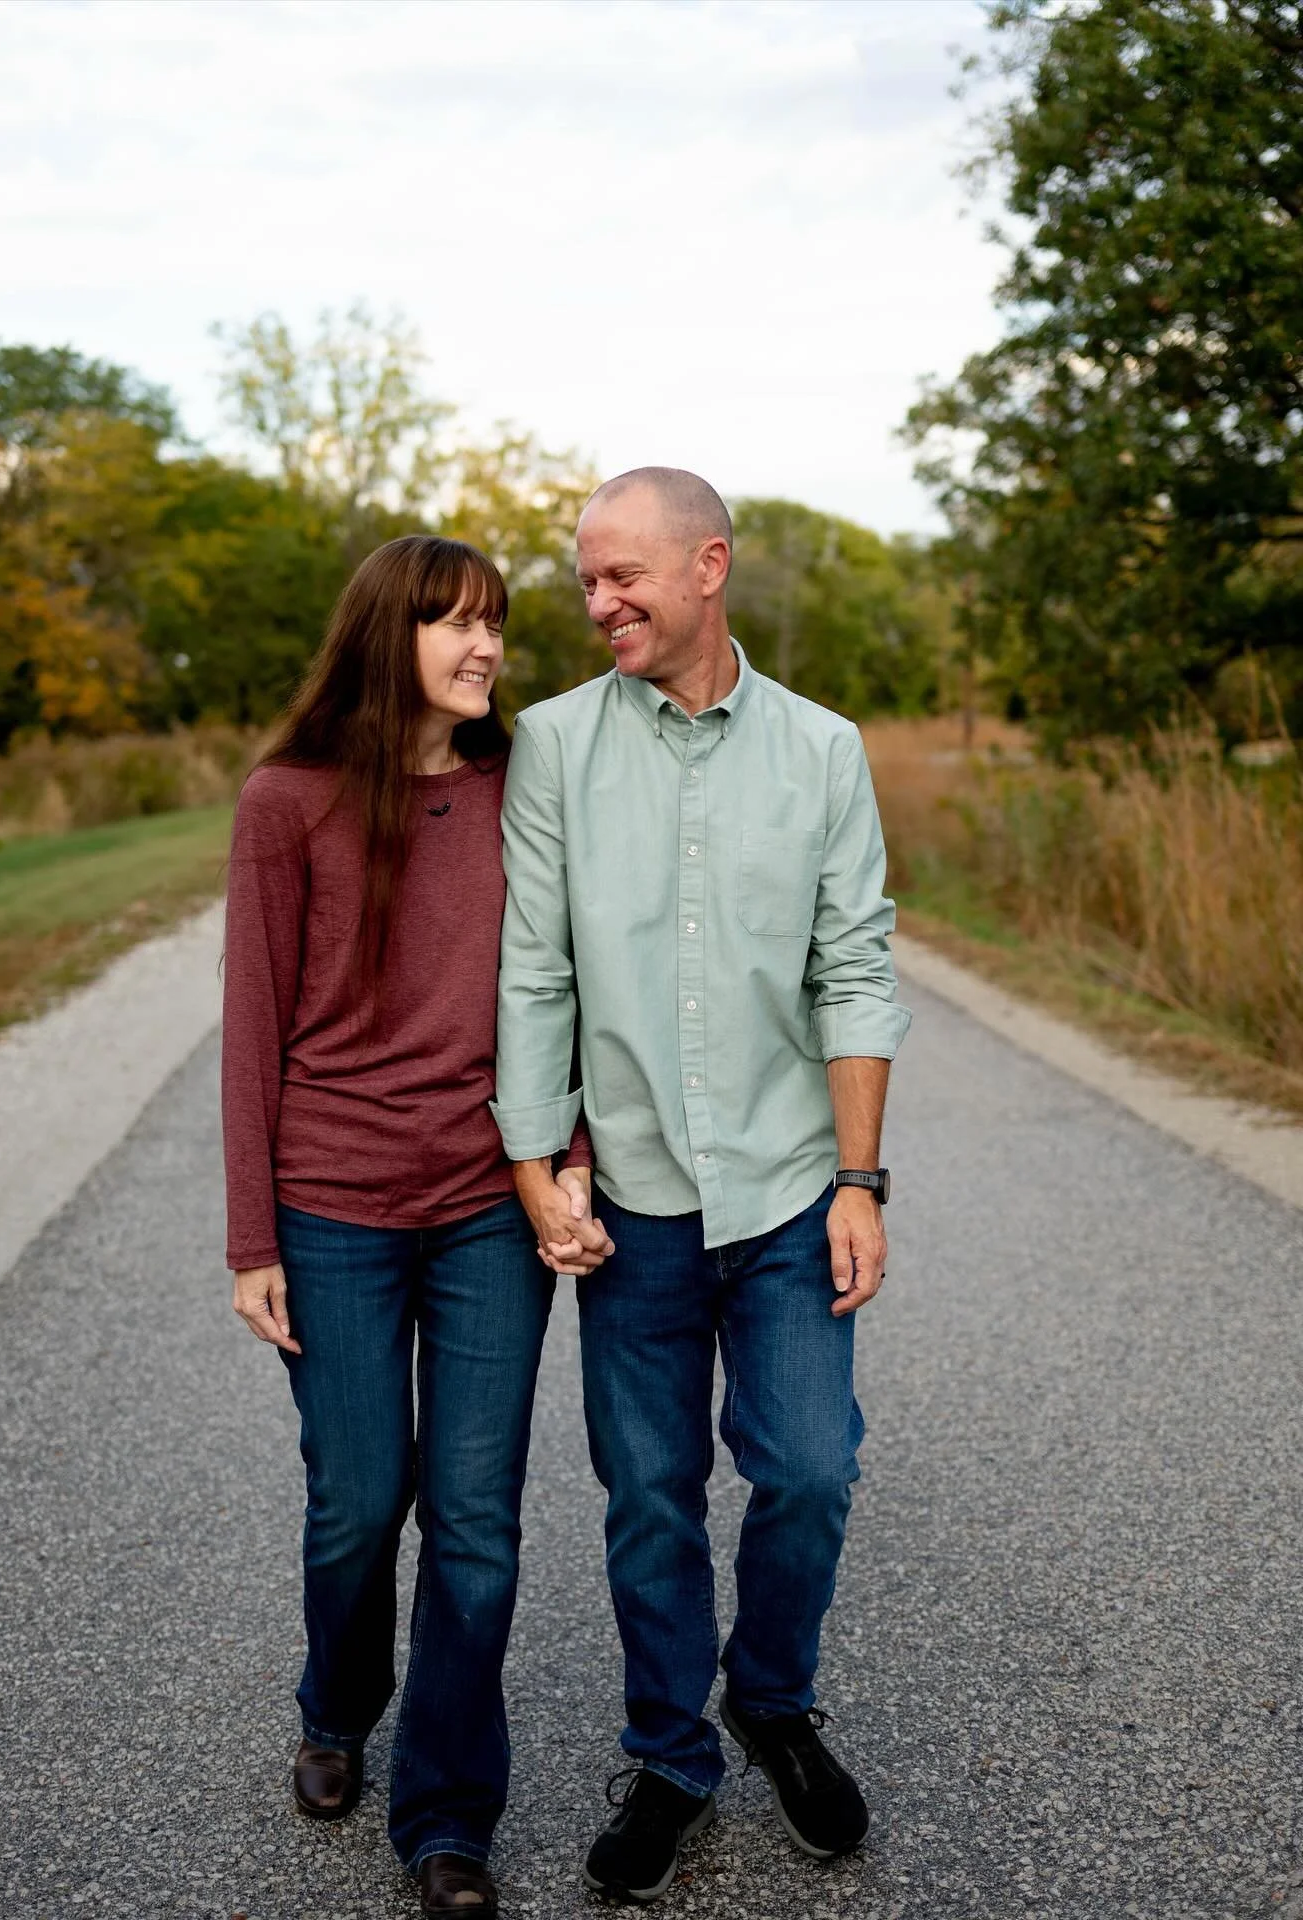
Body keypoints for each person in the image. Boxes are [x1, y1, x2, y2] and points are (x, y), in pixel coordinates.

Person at [492, 468, 911, 1905]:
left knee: (809, 1470)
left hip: (793, 1187)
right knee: (651, 1496)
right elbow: (534, 967)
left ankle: (772, 1698)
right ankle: (671, 1756)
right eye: (588, 581)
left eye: (625, 577)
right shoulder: (551, 746)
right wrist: (540, 1161)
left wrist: (861, 1179)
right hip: (639, 1207)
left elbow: (856, 965)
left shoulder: (822, 751)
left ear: (710, 566)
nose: (598, 602)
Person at [221, 534, 608, 1919]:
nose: (487, 646)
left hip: (487, 1207)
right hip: (330, 1204)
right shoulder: (289, 802)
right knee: (355, 1503)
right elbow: (253, 1031)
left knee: (477, 1524)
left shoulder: (525, 792)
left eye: (497, 623)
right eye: (454, 624)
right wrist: (248, 1236)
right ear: (390, 637)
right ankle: (337, 1702)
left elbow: (563, 982)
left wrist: (562, 1158)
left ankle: (447, 1817)